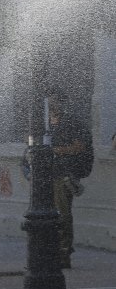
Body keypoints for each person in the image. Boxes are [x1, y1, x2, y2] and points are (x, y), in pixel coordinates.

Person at [48, 91, 93, 269]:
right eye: (49, 103)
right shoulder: (43, 122)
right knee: (46, 216)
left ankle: (63, 253)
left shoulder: (71, 122)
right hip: (46, 175)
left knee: (62, 214)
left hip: (63, 175)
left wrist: (57, 151)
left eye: (54, 102)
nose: (51, 106)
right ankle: (52, 252)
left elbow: (80, 146)